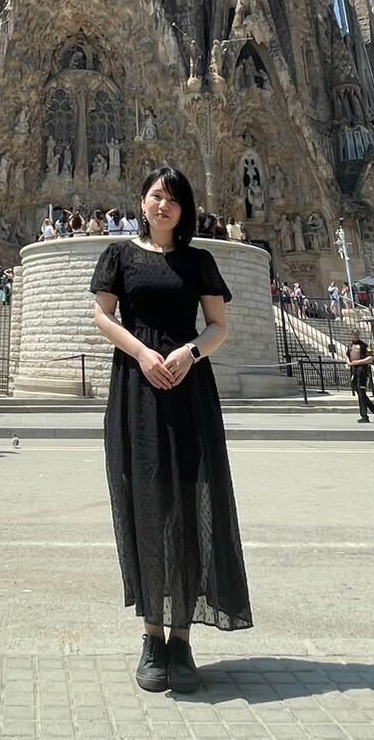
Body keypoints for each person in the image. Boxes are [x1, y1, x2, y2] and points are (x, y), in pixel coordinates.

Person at [91, 165, 251, 695]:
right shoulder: (118, 255)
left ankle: (182, 638)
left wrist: (189, 352)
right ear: (141, 202)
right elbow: (103, 316)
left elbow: (219, 326)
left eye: (174, 199)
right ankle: (151, 635)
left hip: (187, 388)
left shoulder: (199, 260)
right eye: (156, 196)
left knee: (189, 503)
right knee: (146, 504)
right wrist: (141, 353)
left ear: (185, 210)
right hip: (137, 387)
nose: (164, 205)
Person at [346, 330, 374, 424]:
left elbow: (370, 358)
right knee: (359, 393)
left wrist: (357, 362)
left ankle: (364, 416)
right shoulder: (350, 346)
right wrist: (349, 362)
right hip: (354, 372)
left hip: (362, 372)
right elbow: (347, 355)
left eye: (357, 334)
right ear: (351, 335)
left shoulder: (365, 346)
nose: (356, 336)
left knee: (362, 394)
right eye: (354, 334)